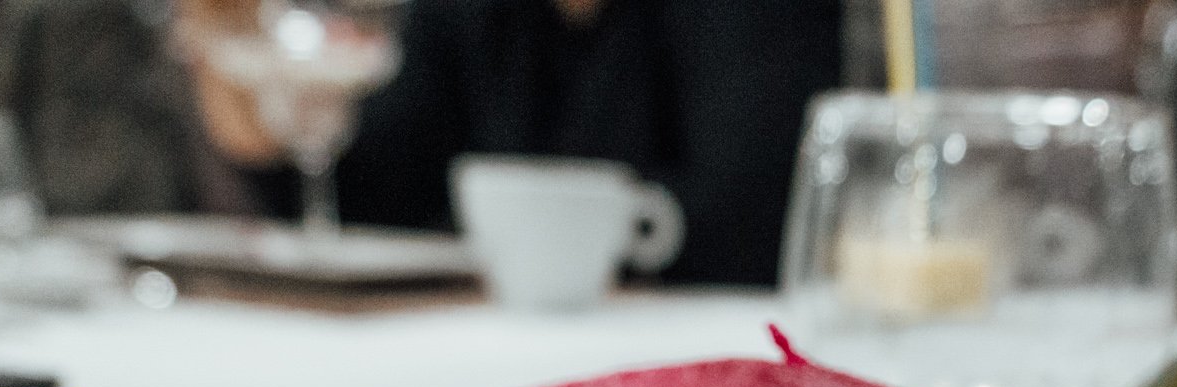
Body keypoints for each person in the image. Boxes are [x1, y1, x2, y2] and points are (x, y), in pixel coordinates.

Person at [185, 0, 843, 286]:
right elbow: (382, 193)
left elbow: (762, 213)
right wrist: (263, 127)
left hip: (706, 353)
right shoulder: (472, 13)